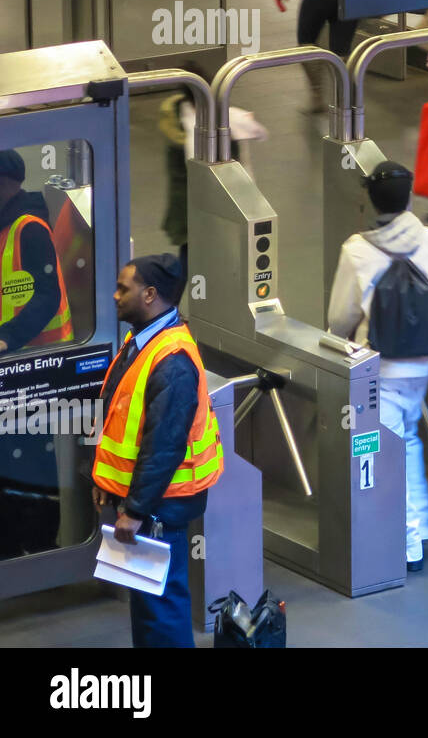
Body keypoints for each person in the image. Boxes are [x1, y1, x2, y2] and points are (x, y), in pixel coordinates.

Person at [327, 163, 428, 572]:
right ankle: (419, 525)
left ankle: (408, 544)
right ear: (409, 196)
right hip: (424, 364)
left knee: (386, 449)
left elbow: (339, 318)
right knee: (406, 440)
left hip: (379, 371)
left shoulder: (357, 250)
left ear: (369, 201)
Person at [92, 253, 224, 647]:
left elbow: (163, 446)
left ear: (150, 294)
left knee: (161, 607)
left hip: (161, 505)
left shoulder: (173, 361)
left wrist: (135, 509)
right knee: (149, 602)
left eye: (123, 289)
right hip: (148, 499)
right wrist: (109, 484)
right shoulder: (142, 341)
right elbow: (123, 421)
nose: (115, 296)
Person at [159, 67, 267, 280]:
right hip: (199, 205)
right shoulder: (202, 125)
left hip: (189, 204)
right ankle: (178, 301)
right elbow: (259, 133)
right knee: (197, 257)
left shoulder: (180, 117)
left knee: (193, 254)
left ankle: (178, 300)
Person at [0, 149, 72, 354]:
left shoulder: (30, 230)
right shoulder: (5, 221)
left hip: (37, 354)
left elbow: (47, 296)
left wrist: (7, 337)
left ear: (4, 185)